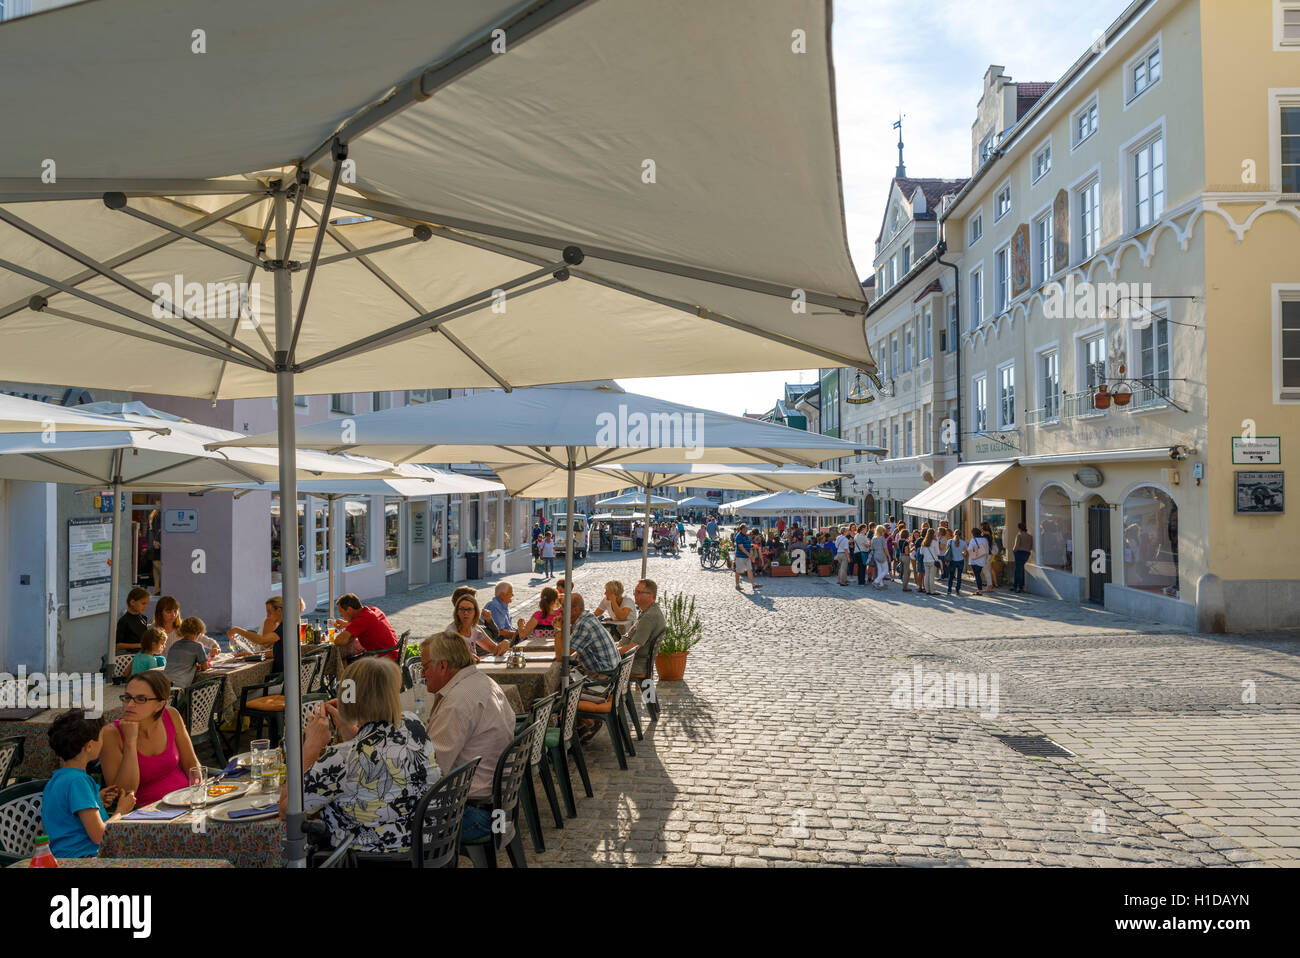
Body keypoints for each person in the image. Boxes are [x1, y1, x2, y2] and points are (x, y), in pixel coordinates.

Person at [285, 657, 437, 855]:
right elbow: (377, 746)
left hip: (366, 858)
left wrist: (311, 745)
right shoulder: (413, 725)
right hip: (425, 847)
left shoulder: (342, 758)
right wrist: (348, 727)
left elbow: (288, 807)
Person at [421, 630, 517, 843]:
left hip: (475, 812)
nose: (421, 675)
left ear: (443, 666)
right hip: (496, 803)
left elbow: (433, 770)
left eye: (425, 667)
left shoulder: (458, 701)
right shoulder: (483, 681)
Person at [42, 710, 136, 858]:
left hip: (62, 858)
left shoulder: (56, 780)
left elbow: (62, 817)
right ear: (90, 746)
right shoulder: (79, 781)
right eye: (101, 737)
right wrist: (121, 811)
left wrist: (96, 800)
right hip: (83, 859)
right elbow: (99, 835)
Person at [100, 670, 199, 807]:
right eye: (127, 697)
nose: (130, 705)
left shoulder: (171, 715)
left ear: (159, 705)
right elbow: (124, 794)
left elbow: (192, 765)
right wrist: (130, 742)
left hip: (187, 801)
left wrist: (200, 796)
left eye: (141, 699)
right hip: (147, 815)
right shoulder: (111, 733)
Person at [228, 595, 291, 678]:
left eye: (269, 612)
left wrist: (237, 630)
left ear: (279, 611)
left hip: (280, 681)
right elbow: (274, 653)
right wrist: (251, 655)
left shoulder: (284, 628)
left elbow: (261, 640)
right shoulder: (289, 624)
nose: (267, 616)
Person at [565, 593, 622, 679]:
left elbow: (563, 654)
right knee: (568, 671)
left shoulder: (583, 625)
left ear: (575, 610)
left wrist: (558, 629)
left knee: (561, 677)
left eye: (563, 607)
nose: (559, 611)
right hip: (611, 670)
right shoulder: (588, 617)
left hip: (602, 675)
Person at [619, 578, 665, 680]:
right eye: (635, 591)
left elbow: (632, 647)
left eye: (639, 592)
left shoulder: (649, 616)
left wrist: (611, 653)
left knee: (592, 665)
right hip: (630, 660)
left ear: (650, 595)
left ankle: (603, 694)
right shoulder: (647, 612)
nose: (635, 594)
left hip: (634, 664)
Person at [332, 593, 399, 661]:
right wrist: (347, 624)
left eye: (341, 611)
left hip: (384, 660)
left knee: (344, 660)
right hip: (393, 654)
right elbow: (367, 624)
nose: (340, 615)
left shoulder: (362, 619)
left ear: (349, 609)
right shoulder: (373, 610)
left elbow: (339, 641)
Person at [452, 592, 509, 656]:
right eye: (462, 609)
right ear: (457, 612)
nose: (465, 612)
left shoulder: (475, 628)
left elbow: (494, 648)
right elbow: (453, 659)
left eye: (469, 609)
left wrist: (505, 644)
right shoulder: (451, 632)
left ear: (475, 612)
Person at [163, 616, 212, 690]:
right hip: (180, 686)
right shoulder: (197, 646)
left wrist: (194, 666)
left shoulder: (174, 645)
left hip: (164, 682)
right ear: (198, 633)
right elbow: (205, 667)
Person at [114, 587, 150, 652]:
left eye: (147, 604)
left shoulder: (144, 618)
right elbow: (118, 645)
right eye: (143, 603)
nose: (145, 606)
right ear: (132, 602)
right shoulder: (124, 621)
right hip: (129, 656)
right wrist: (138, 645)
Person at [732, 523, 760, 593]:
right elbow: (741, 548)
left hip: (746, 556)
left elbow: (747, 544)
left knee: (749, 570)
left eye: (747, 528)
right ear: (742, 529)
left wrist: (752, 546)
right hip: (740, 556)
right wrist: (750, 555)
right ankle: (737, 585)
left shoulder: (746, 536)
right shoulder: (739, 536)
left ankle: (753, 584)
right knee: (739, 571)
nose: (747, 529)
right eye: (745, 528)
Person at [967, 525, 990, 595]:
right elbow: (987, 550)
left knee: (977, 575)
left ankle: (980, 590)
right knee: (978, 574)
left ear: (973, 533)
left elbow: (969, 549)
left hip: (974, 559)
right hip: (982, 559)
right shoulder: (985, 540)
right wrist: (986, 559)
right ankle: (979, 589)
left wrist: (968, 545)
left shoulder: (973, 540)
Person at [1012, 522, 1034, 593]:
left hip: (1019, 553)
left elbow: (1016, 546)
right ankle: (1015, 585)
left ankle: (1019, 587)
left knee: (1019, 570)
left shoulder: (1019, 535)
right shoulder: (1030, 536)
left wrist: (1014, 551)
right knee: (1018, 569)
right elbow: (1031, 546)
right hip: (1027, 553)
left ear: (1019, 528)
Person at [946, 529, 967, 596]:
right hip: (960, 560)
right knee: (959, 576)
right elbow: (965, 553)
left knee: (951, 576)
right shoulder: (963, 542)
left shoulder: (949, 541)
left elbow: (947, 552)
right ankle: (957, 590)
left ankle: (949, 590)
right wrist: (962, 553)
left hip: (952, 561)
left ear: (953, 534)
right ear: (961, 535)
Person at [919, 530, 939, 594]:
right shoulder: (934, 542)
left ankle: (927, 590)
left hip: (925, 560)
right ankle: (932, 591)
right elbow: (937, 552)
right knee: (931, 576)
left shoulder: (924, 542)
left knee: (926, 576)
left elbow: (921, 552)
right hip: (932, 561)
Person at [870, 524, 890, 590]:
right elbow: (885, 548)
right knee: (885, 570)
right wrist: (889, 556)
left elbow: (872, 548)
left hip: (876, 555)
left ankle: (881, 584)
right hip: (882, 555)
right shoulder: (882, 538)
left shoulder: (873, 538)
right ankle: (876, 581)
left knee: (880, 570)